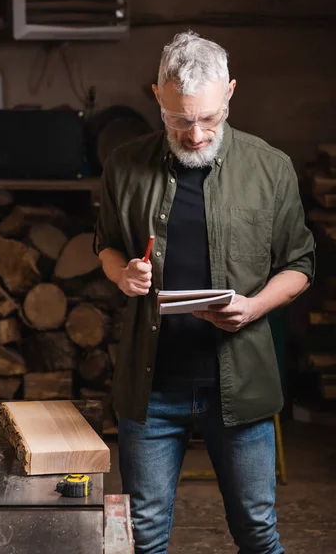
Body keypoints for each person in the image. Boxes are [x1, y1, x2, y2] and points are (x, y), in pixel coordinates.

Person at [95, 31, 315, 554]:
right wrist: (121, 274)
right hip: (152, 390)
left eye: (208, 118)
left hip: (240, 386)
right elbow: (105, 244)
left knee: (258, 532)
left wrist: (256, 305)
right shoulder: (123, 166)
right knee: (142, 537)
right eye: (179, 119)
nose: (194, 134)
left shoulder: (270, 167)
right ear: (157, 98)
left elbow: (300, 264)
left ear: (230, 93)